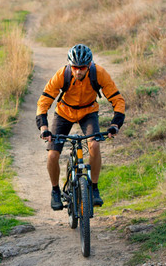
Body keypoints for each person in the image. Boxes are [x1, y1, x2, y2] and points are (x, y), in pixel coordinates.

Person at [36, 44, 125, 211]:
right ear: (70, 65)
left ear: (89, 65)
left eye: (82, 68)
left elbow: (117, 100)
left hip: (88, 112)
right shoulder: (62, 74)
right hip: (64, 112)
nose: (78, 71)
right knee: (53, 154)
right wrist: (43, 127)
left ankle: (94, 188)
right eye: (75, 67)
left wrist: (115, 124)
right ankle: (55, 190)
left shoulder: (99, 73)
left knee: (95, 145)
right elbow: (44, 100)